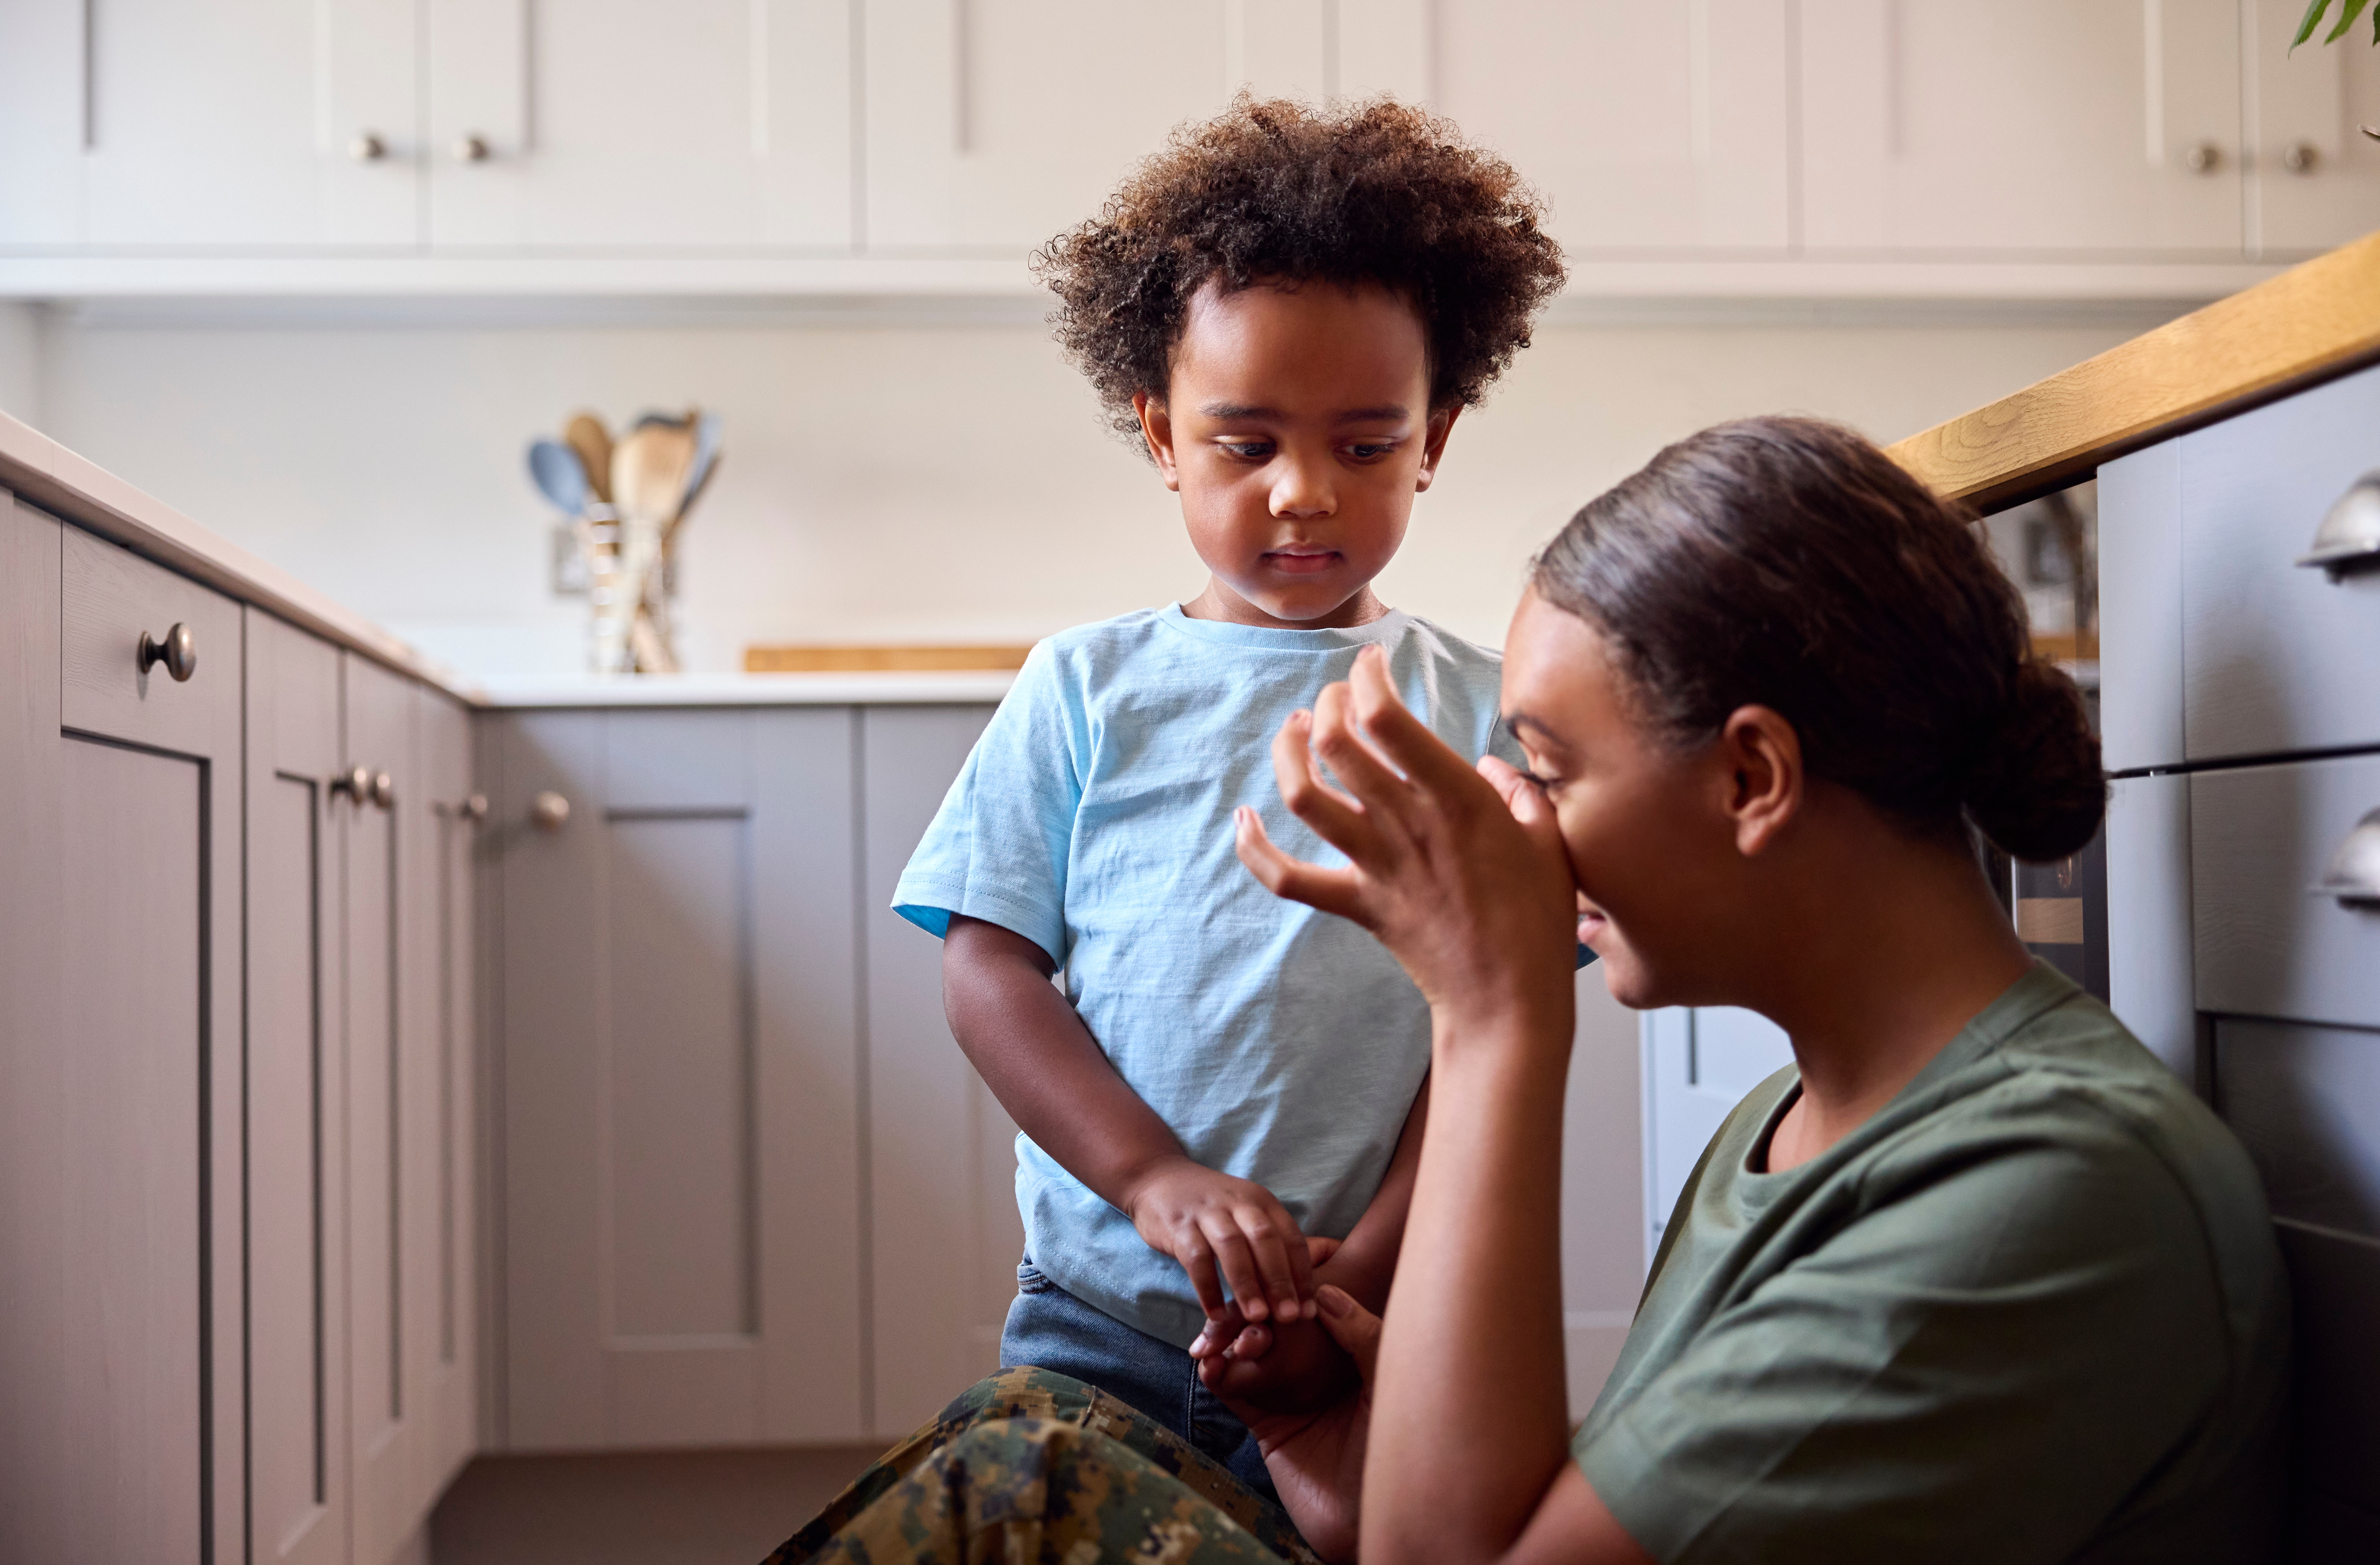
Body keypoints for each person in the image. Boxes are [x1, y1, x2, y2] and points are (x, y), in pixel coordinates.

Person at [775, 416, 2290, 1564]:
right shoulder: (1790, 1121)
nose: (1518, 820)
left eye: (1546, 769)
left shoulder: (2041, 1194)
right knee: (1017, 1438)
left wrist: (1496, 1015)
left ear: (1751, 775)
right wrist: (1331, 1426)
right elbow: (1547, 1514)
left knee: (1014, 1492)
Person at [884, 94, 1568, 1496]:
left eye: (1365, 446)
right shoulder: (1083, 686)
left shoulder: (1489, 708)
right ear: (1161, 435)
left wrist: (1363, 1268)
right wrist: (1152, 1181)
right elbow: (987, 970)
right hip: (1097, 1321)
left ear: (1434, 438)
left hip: (1379, 1314)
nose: (1303, 493)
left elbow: (1501, 1019)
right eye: (1245, 444)